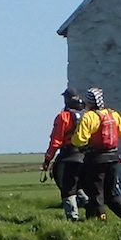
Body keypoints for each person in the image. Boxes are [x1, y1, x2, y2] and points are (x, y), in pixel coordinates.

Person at [71, 87, 121, 221]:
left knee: (96, 193)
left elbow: (79, 140)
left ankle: (100, 221)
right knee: (111, 192)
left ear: (89, 102)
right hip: (113, 158)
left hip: (96, 160)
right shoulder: (113, 115)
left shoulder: (89, 117)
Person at [40, 88, 90, 222]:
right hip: (87, 156)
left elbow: (56, 141)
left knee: (68, 188)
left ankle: (73, 218)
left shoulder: (64, 117)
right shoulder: (88, 115)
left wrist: (47, 159)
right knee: (82, 185)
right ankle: (91, 209)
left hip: (69, 156)